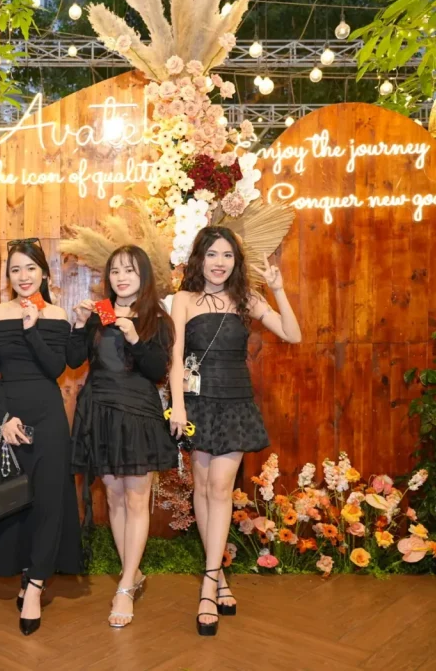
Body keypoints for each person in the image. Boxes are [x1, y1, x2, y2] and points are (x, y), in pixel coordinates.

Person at [167, 226, 301, 637]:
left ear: (236, 261)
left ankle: (208, 586)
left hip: (235, 402)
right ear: (199, 259)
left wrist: (278, 290)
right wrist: (178, 407)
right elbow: (175, 357)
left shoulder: (247, 299)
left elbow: (293, 334)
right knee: (204, 487)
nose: (220, 262)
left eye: (227, 255)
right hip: (197, 403)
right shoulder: (184, 300)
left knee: (221, 488)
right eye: (212, 254)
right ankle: (220, 577)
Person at [67, 245, 177, 628]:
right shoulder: (100, 313)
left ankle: (126, 586)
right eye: (115, 271)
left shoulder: (156, 318)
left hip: (138, 413)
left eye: (129, 270)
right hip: (100, 411)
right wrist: (78, 325)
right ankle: (132, 573)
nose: (121, 277)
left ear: (143, 275)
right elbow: (74, 360)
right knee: (114, 496)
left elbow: (157, 370)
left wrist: (134, 338)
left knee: (136, 498)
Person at [0, 238, 81, 636]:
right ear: (8, 276)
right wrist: (4, 418)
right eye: (15, 269)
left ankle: (37, 583)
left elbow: (56, 368)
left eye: (30, 268)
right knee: (14, 500)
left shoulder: (56, 314)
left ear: (43, 273)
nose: (23, 276)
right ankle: (23, 570)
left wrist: (32, 329)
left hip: (48, 415)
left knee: (49, 501)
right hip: (10, 416)